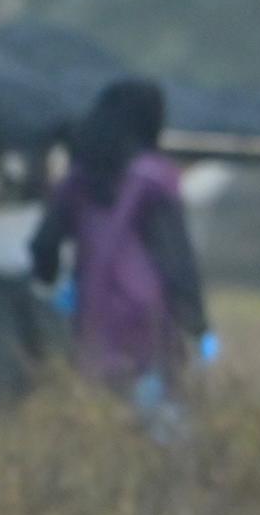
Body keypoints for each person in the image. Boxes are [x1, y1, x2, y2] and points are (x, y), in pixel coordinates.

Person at [28, 78, 211, 394]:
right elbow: (176, 257)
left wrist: (49, 284)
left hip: (93, 321)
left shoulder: (78, 180)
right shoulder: (155, 178)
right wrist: (196, 321)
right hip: (152, 322)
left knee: (103, 413)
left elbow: (44, 244)